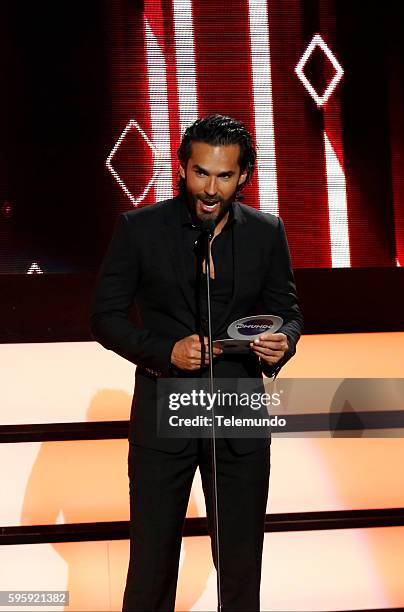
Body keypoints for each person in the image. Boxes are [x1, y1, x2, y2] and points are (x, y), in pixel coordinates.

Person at [90, 115, 303, 611]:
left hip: (238, 413)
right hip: (167, 412)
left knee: (241, 565)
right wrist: (164, 351)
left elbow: (287, 312)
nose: (210, 188)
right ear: (182, 169)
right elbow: (104, 317)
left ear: (244, 174)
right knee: (151, 565)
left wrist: (282, 343)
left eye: (224, 176)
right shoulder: (139, 229)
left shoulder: (267, 233)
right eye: (200, 173)